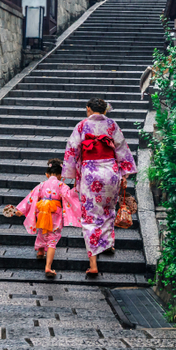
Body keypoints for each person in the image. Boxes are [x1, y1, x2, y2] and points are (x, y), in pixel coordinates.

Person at [62, 97, 136, 277]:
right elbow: (121, 148)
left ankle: (93, 263)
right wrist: (125, 172)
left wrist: (71, 174)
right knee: (108, 209)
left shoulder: (81, 126)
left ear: (88, 109)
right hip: (110, 171)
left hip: (90, 173)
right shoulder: (112, 125)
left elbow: (72, 150)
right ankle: (109, 243)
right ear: (104, 110)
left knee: (89, 215)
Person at [13, 158, 81, 279]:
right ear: (61, 175)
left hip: (42, 212)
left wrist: (20, 210)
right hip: (55, 213)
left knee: (42, 231)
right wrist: (76, 187)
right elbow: (70, 196)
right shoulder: (62, 185)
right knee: (52, 239)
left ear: (47, 174)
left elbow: (31, 198)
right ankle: (48, 267)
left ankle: (40, 251)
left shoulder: (41, 185)